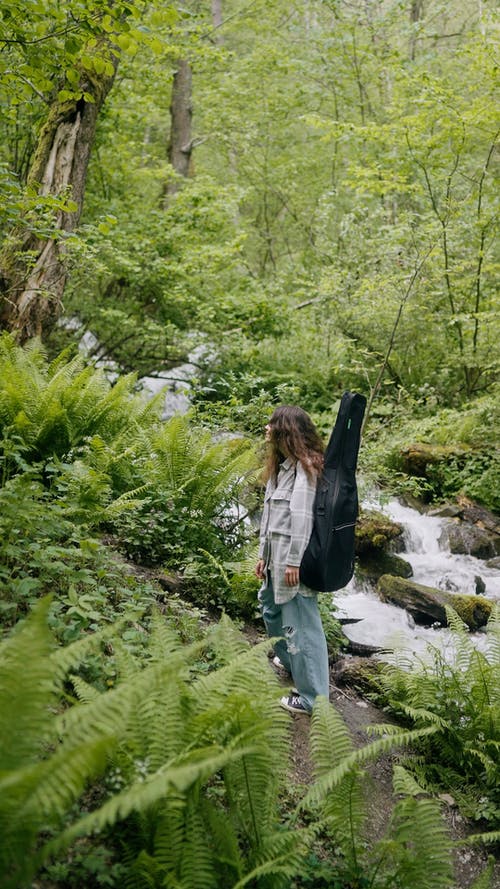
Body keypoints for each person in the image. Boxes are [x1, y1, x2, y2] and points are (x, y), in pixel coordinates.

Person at [255, 405, 330, 714]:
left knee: (300, 624)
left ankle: (313, 698)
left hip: (292, 563)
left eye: (273, 425)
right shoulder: (282, 467)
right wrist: (263, 556)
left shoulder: (305, 469)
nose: (267, 429)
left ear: (287, 431)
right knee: (271, 611)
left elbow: (301, 520)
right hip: (275, 560)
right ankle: (291, 663)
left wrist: (294, 563)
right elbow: (270, 516)